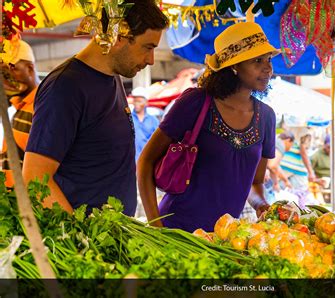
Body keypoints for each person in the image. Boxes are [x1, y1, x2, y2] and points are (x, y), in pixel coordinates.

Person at [22, 0, 169, 216]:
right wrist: (79, 238)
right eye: (148, 47)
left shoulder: (113, 77)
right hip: (86, 243)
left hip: (114, 236)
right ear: (118, 37)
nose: (151, 60)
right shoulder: (65, 87)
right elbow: (35, 177)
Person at [137, 22, 279, 232]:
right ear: (234, 66)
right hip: (176, 232)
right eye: (257, 60)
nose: (268, 67)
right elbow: (145, 162)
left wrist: (262, 205)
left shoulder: (266, 117)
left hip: (225, 240)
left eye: (268, 59)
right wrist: (156, 227)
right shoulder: (195, 102)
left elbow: (255, 183)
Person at [0, 39, 39, 187]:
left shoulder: (40, 108)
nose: (6, 78)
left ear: (30, 68)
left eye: (12, 69)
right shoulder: (21, 106)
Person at [311, 134, 335, 202]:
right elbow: (308, 172)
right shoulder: (316, 155)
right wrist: (316, 180)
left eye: (334, 148)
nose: (331, 150)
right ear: (324, 145)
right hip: (329, 182)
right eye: (329, 147)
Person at [130, 87, 159, 162]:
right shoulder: (128, 119)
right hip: (131, 162)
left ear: (146, 102)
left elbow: (158, 142)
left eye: (139, 101)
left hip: (147, 162)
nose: (136, 104)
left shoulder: (153, 120)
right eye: (135, 101)